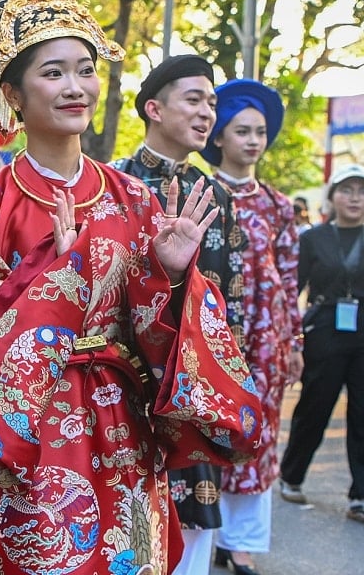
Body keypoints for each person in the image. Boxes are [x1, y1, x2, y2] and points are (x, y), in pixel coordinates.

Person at [0, 0, 261, 574]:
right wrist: (48, 282)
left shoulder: (136, 200)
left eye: (86, 70)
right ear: (13, 94)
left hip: (120, 426)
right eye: (54, 73)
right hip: (25, 434)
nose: (75, 87)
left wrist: (170, 278)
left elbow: (160, 333)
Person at [111, 53, 248, 575]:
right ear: (154, 109)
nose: (207, 113)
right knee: (125, 523)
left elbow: (227, 299)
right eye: (194, 100)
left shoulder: (216, 193)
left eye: (211, 103)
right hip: (125, 385)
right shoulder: (113, 185)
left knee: (190, 525)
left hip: (193, 386)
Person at [198, 79, 301, 574]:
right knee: (210, 432)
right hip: (214, 333)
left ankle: (242, 543)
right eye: (242, 131)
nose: (253, 141)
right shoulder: (200, 193)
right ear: (220, 137)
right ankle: (204, 530)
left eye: (260, 132)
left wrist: (294, 340)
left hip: (265, 340)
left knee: (258, 435)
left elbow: (289, 274)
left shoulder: (280, 206)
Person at [279, 163, 364, 526]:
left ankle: (360, 494)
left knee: (363, 414)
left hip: (363, 330)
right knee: (315, 406)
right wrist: (290, 340)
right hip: (325, 329)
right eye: (347, 189)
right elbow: (292, 290)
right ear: (332, 195)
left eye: (361, 190)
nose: (355, 198)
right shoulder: (312, 238)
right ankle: (292, 475)